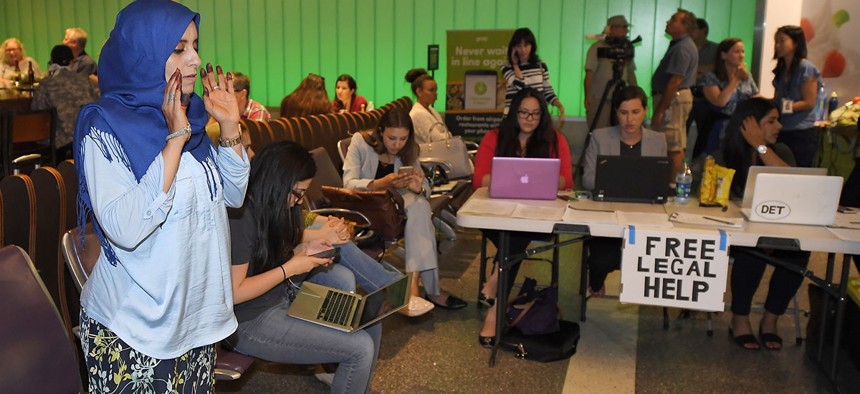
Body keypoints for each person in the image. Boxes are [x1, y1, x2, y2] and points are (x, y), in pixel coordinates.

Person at [72, 0, 249, 391]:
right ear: (144, 55)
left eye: (196, 45)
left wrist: (231, 127)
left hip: (194, 320)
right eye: (179, 48)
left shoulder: (196, 115)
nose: (196, 59)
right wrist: (173, 139)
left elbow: (234, 197)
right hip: (132, 329)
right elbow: (127, 229)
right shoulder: (105, 128)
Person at [228, 141, 413, 393]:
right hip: (249, 322)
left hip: (280, 298)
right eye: (297, 193)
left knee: (370, 319)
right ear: (277, 183)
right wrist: (291, 267)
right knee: (359, 348)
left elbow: (269, 258)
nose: (298, 202)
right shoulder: (242, 216)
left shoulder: (279, 207)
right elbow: (236, 293)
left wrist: (303, 252)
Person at [473, 88, 573, 346]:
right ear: (513, 112)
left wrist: (541, 179)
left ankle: (495, 307)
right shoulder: (494, 137)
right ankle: (497, 288)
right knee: (512, 236)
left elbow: (568, 182)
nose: (529, 119)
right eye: (524, 113)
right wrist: (517, 179)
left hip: (538, 218)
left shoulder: (555, 140)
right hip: (495, 215)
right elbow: (479, 180)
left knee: (514, 237)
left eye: (536, 114)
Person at [342, 108, 468, 310]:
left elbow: (425, 187)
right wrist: (381, 182)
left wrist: (418, 187)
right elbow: (348, 183)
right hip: (367, 206)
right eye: (392, 138)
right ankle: (429, 290)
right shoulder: (361, 142)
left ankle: (413, 286)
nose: (397, 144)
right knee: (420, 209)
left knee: (419, 204)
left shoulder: (408, 150)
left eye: (403, 139)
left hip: (397, 204)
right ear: (381, 131)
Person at [715, 97, 808, 350]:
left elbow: (795, 187)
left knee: (799, 253)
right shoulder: (727, 154)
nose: (779, 126)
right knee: (753, 249)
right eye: (771, 121)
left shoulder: (782, 152)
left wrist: (761, 147)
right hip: (737, 235)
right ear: (749, 125)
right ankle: (740, 318)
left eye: (778, 120)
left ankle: (771, 319)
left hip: (777, 231)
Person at [581, 86, 667, 295]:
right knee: (601, 259)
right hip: (608, 214)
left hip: (644, 215)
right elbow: (588, 178)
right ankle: (596, 281)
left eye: (635, 112)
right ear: (616, 113)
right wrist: (626, 182)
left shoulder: (658, 140)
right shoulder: (600, 137)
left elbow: (660, 180)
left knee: (651, 256)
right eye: (623, 112)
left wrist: (617, 179)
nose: (629, 119)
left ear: (645, 111)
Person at [650, 9, 698, 181]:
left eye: (673, 20)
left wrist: (661, 110)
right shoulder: (679, 45)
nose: (668, 22)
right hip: (673, 99)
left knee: (673, 145)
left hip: (674, 100)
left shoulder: (683, 48)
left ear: (684, 26)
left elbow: (675, 81)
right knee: (672, 142)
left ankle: (673, 187)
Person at [31, 45, 99, 161]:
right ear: (72, 62)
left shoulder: (46, 84)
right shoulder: (86, 80)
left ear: (52, 62)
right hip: (88, 139)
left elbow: (37, 112)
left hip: (58, 145)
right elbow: (98, 104)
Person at [772, 25, 821, 168]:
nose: (777, 45)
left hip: (802, 131)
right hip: (782, 128)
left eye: (782, 41)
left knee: (798, 170)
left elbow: (808, 102)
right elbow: (777, 98)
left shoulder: (806, 67)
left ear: (796, 43)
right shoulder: (780, 68)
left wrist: (782, 107)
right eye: (776, 41)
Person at [699, 38, 759, 155]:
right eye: (737, 52)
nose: (741, 56)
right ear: (724, 55)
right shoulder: (711, 77)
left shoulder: (747, 76)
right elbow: (720, 102)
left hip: (742, 127)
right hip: (719, 128)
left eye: (743, 52)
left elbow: (755, 97)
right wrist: (736, 79)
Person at [584, 15, 637, 130]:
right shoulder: (597, 48)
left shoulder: (626, 49)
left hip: (621, 98)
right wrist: (587, 96)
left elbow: (630, 73)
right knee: (598, 130)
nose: (626, 30)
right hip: (599, 97)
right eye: (622, 27)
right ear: (611, 29)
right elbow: (589, 73)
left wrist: (636, 94)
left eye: (626, 27)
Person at [501, 28, 565, 119]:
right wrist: (515, 65)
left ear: (532, 45)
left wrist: (559, 105)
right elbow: (520, 86)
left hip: (537, 116)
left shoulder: (540, 65)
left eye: (526, 45)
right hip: (514, 117)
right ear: (513, 48)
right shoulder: (507, 67)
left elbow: (548, 92)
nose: (523, 50)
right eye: (519, 46)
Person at [687, 17, 719, 159]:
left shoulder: (715, 49)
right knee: (681, 134)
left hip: (706, 98)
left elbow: (717, 68)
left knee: (705, 135)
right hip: (687, 95)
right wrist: (701, 70)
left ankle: (700, 164)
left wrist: (697, 70)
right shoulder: (685, 47)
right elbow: (682, 71)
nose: (690, 32)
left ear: (703, 31)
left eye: (693, 29)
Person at [405, 68, 452, 143]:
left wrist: (446, 135)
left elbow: (444, 132)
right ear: (419, 92)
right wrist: (448, 134)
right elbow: (438, 140)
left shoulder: (431, 109)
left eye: (436, 90)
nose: (435, 94)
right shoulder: (418, 114)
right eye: (431, 90)